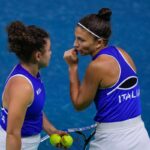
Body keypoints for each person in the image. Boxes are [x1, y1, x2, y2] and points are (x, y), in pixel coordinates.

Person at [64, 8, 150, 150]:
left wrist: (72, 67)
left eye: (81, 40)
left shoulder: (97, 66)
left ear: (99, 42)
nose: (75, 44)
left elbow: (79, 104)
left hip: (112, 141)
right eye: (76, 38)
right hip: (140, 137)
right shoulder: (123, 54)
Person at [0, 21, 65, 150]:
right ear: (38, 56)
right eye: (49, 50)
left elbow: (34, 111)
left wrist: (51, 130)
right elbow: (13, 134)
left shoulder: (32, 74)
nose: (51, 53)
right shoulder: (23, 87)